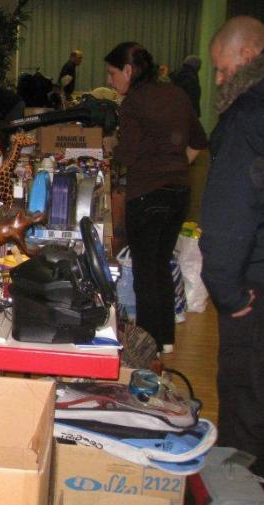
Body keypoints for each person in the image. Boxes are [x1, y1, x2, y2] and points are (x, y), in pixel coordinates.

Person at [106, 42, 207, 354]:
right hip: (178, 192)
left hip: (146, 195)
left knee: (145, 271)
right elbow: (198, 142)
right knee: (161, 264)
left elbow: (127, 154)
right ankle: (165, 339)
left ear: (128, 70)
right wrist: (174, 166)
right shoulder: (176, 93)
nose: (110, 81)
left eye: (112, 73)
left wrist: (111, 148)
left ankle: (149, 348)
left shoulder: (133, 102)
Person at [198, 15, 264, 477]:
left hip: (253, 288)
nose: (219, 81)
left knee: (246, 405)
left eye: (222, 69)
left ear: (248, 54)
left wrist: (228, 292)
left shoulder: (245, 118)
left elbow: (228, 218)